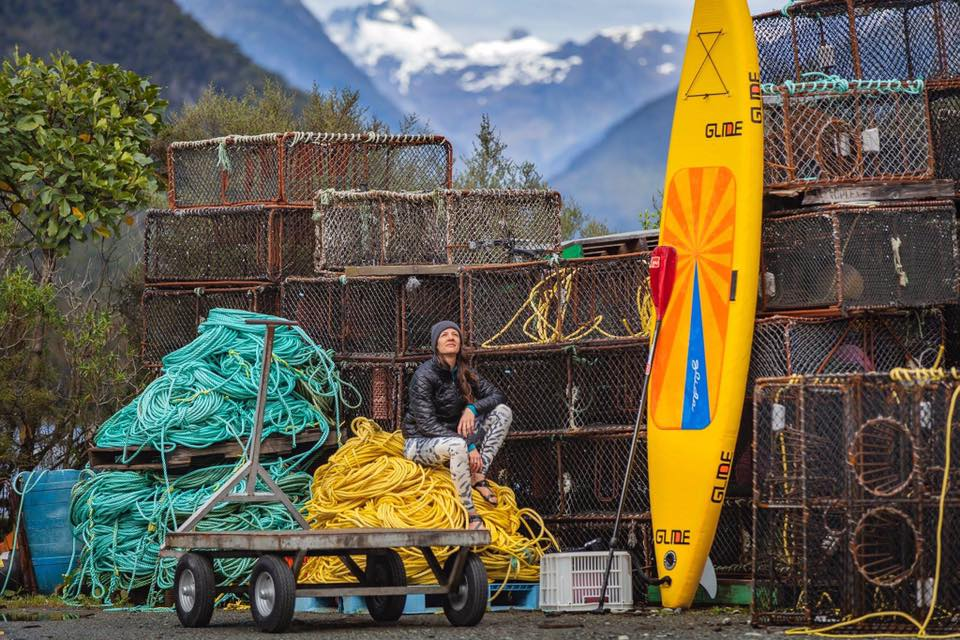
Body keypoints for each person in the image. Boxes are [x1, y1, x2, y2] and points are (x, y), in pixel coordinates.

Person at [402, 320, 513, 530]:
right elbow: (426, 425)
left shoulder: (464, 372)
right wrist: (469, 444)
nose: (451, 338)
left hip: (454, 437)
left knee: (502, 413)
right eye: (445, 335)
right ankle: (470, 513)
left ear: (460, 342)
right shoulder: (424, 375)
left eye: (455, 334)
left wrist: (472, 409)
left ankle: (478, 476)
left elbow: (498, 395)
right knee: (458, 446)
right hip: (419, 443)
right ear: (436, 344)